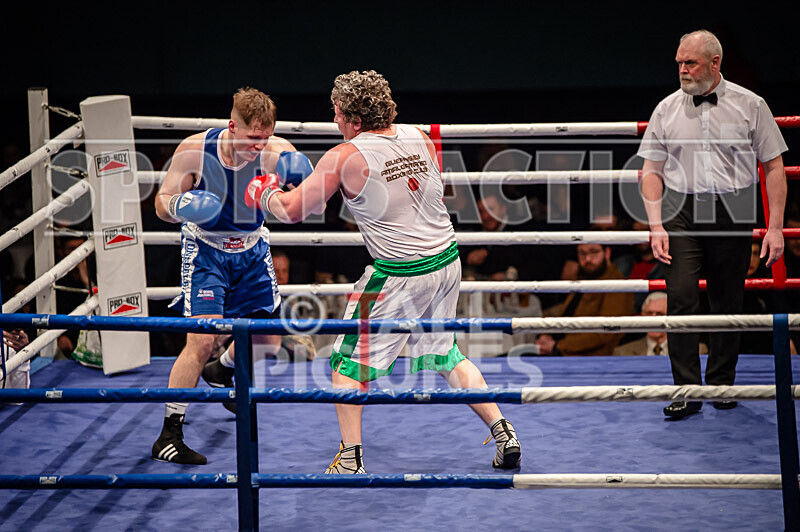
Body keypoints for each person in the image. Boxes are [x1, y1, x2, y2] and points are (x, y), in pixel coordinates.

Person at [246, 70, 521, 473]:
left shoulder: (345, 155)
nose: (335, 121)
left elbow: (294, 210)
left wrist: (262, 191)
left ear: (355, 119)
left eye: (338, 114)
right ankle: (503, 431)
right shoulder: (419, 136)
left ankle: (350, 460)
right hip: (446, 261)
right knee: (445, 353)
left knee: (346, 363)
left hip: (399, 273)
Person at [150, 87, 313, 464]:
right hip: (207, 250)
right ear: (232, 126)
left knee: (269, 339)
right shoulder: (195, 151)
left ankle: (222, 372)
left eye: (266, 137)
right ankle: (169, 433)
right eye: (253, 137)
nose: (260, 146)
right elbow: (161, 203)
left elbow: (303, 197)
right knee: (203, 339)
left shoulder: (275, 152)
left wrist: (299, 181)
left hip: (252, 249)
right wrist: (182, 205)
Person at [639, 30, 788, 419]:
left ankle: (722, 381)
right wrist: (656, 225)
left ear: (715, 62)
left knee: (727, 298)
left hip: (734, 205)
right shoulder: (666, 108)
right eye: (679, 63)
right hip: (681, 209)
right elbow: (651, 171)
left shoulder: (750, 104)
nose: (682, 70)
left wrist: (774, 227)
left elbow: (773, 167)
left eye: (690, 63)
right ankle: (686, 389)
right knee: (682, 295)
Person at [535, 243, 634, 356]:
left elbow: (605, 333)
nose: (587, 259)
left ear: (607, 253)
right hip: (566, 352)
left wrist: (558, 346)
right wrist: (547, 335)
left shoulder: (616, 284)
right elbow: (568, 314)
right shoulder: (585, 279)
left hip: (591, 359)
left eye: (594, 252)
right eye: (582, 253)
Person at [613, 292, 708, 356]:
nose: (654, 319)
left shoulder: (696, 351)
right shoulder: (623, 353)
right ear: (641, 316)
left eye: (660, 314)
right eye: (649, 313)